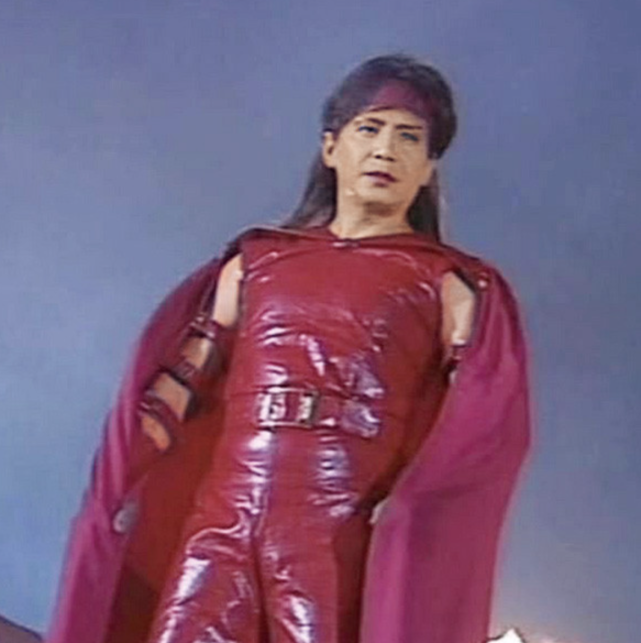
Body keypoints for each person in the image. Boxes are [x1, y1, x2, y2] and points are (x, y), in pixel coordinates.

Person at [46, 54, 531, 643]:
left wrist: (411, 513)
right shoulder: (255, 262)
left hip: (337, 530)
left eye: (409, 137)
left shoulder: (451, 285)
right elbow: (177, 386)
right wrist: (119, 482)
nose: (385, 150)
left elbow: (475, 427)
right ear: (331, 147)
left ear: (429, 167)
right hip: (223, 516)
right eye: (369, 128)